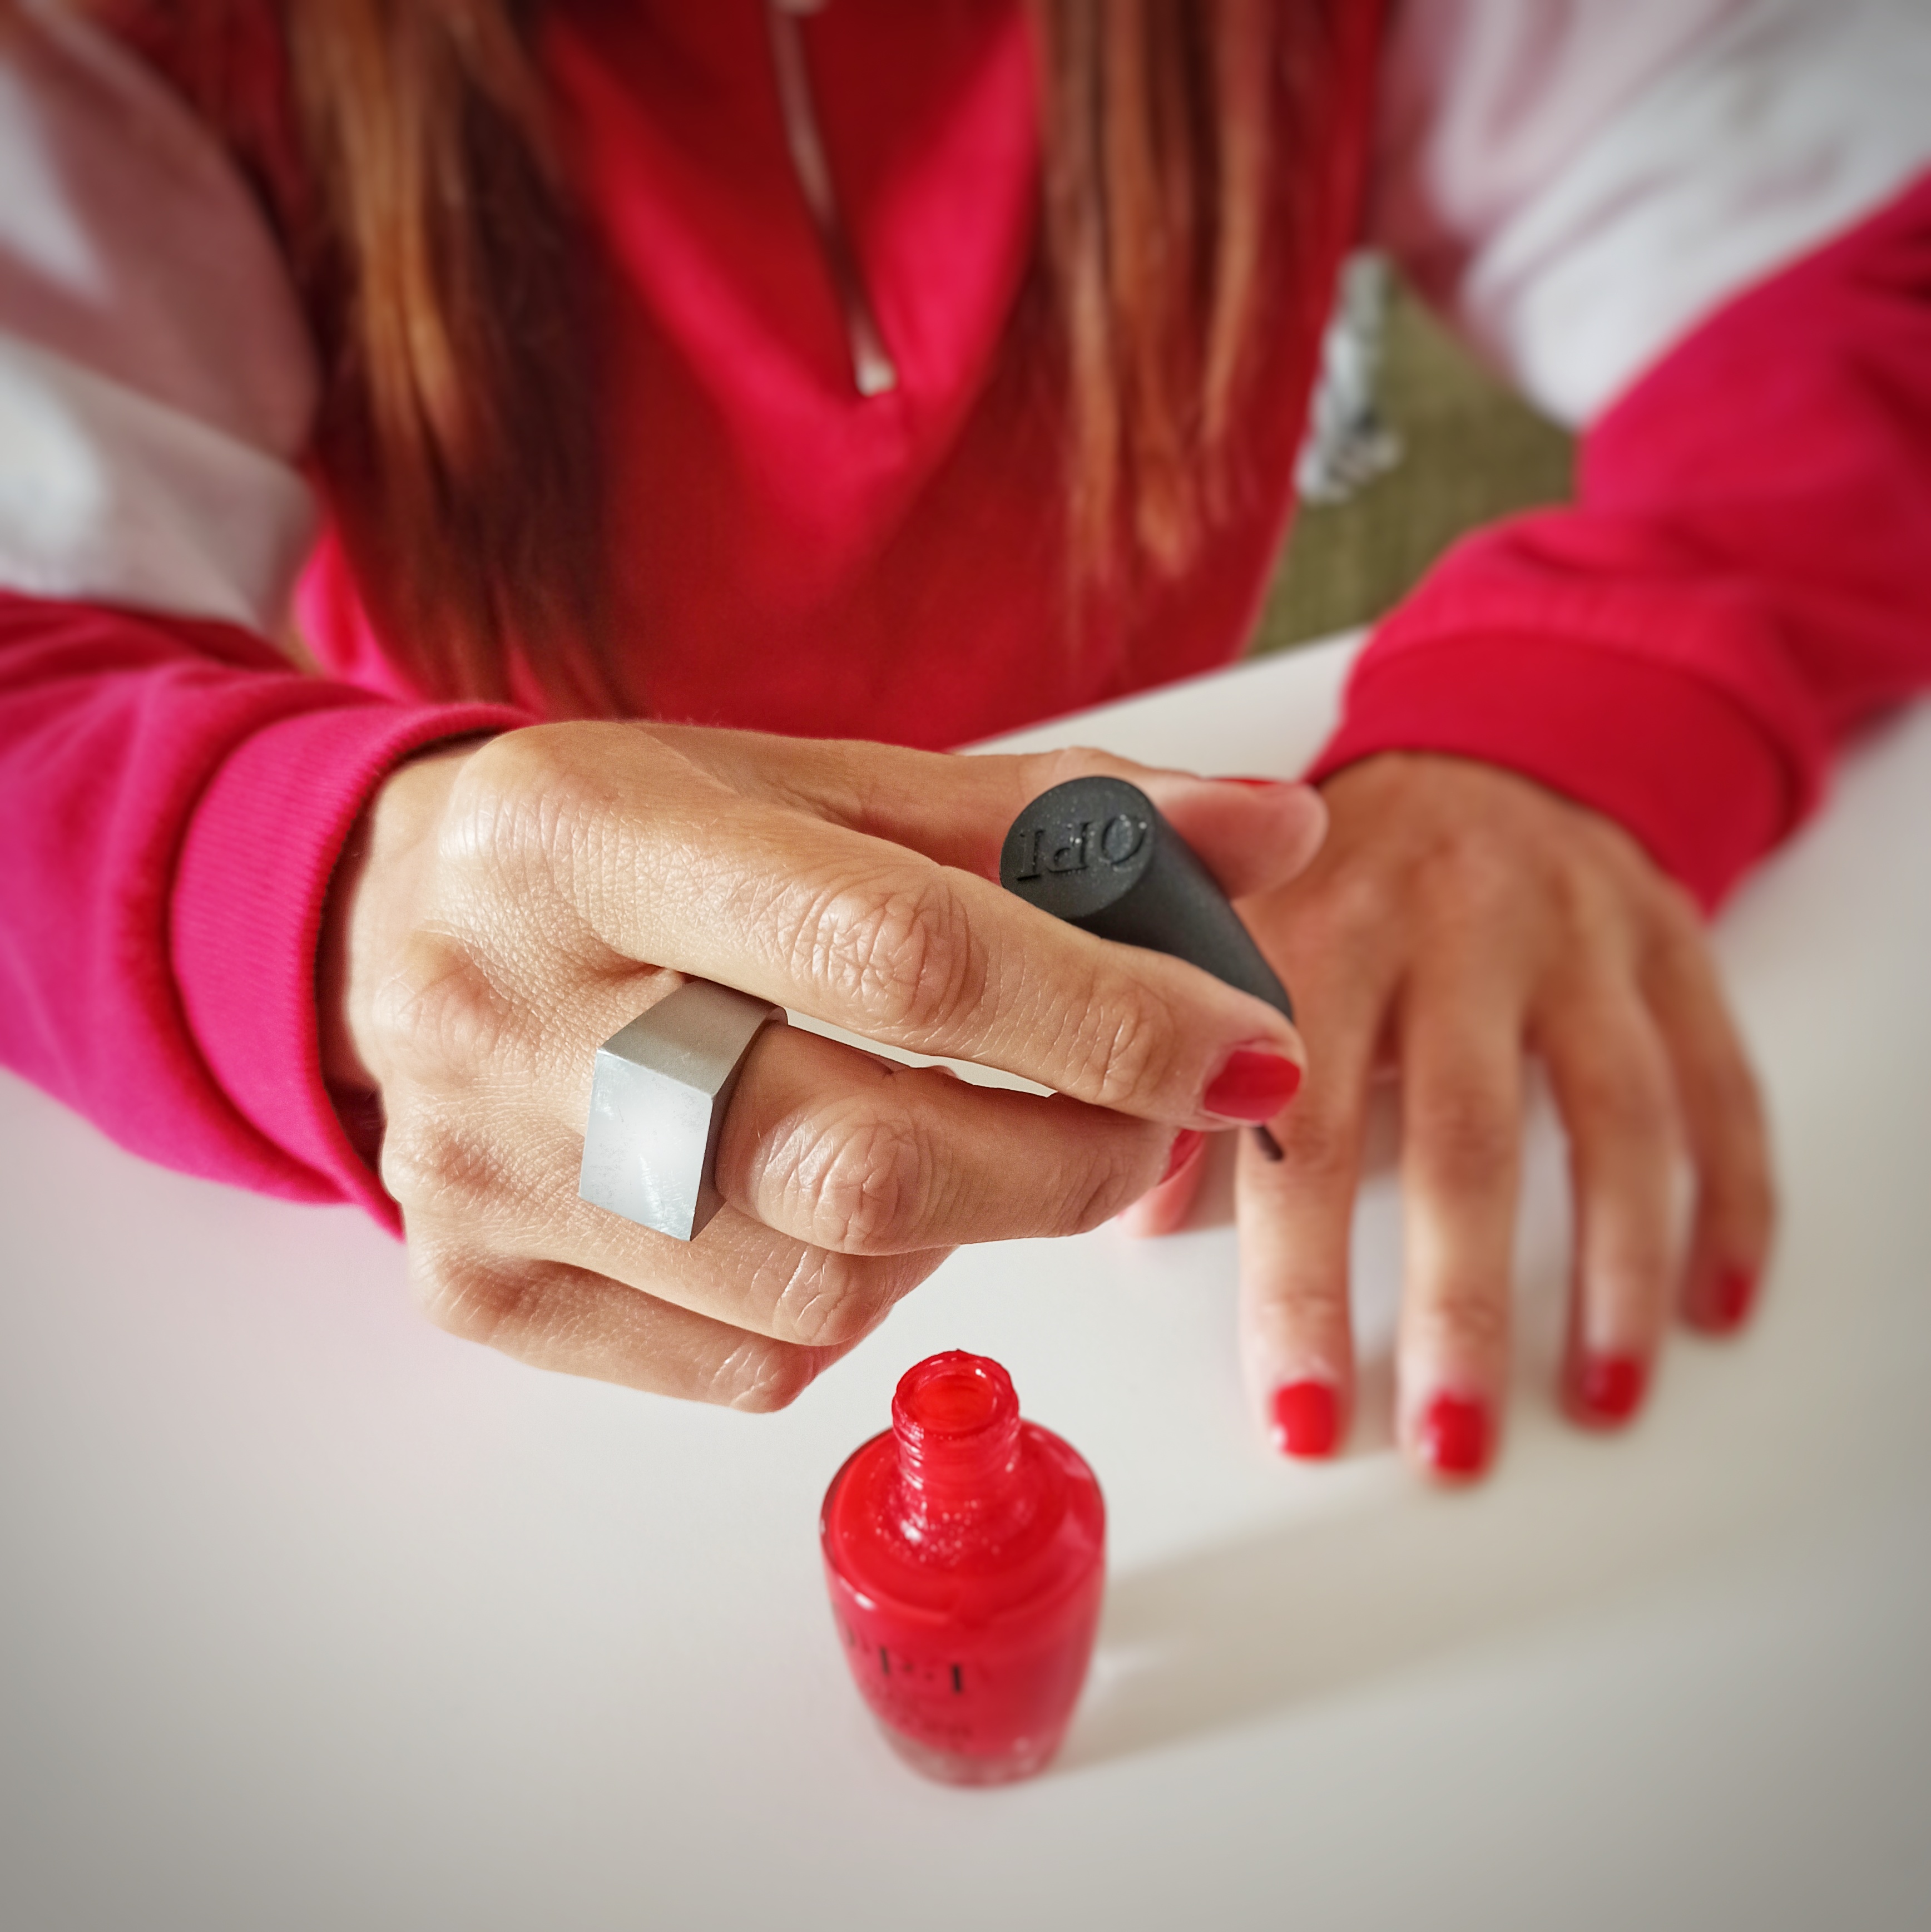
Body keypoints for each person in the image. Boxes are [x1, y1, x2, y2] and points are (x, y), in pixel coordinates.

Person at [2, 0, 1928, 1482]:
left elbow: (1853, 242)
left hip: (1190, 1013)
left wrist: (1568, 718)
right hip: (531, 1063)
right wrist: (318, 903)